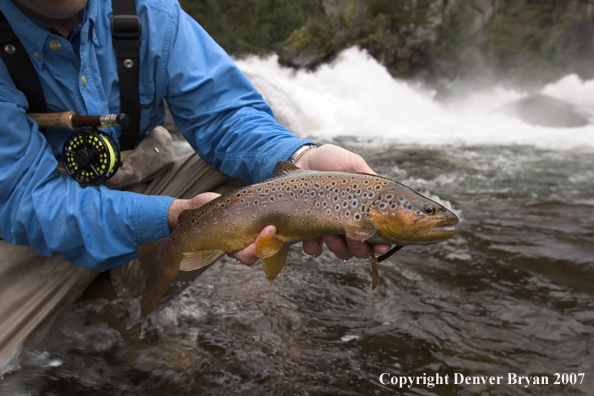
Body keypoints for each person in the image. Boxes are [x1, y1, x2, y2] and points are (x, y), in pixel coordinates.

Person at [0, 0, 389, 365]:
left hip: (140, 175)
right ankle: (102, 305)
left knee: (262, 177)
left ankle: (114, 306)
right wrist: (173, 215)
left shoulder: (151, 12)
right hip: (27, 222)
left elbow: (225, 115)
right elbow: (27, 199)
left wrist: (302, 159)